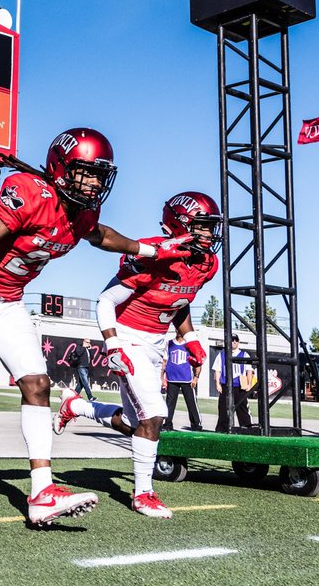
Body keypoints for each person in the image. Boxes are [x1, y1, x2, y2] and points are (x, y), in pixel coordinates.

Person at [0, 128, 194, 526]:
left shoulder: (81, 214)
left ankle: (42, 491)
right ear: (62, 169)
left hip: (9, 303)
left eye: (100, 175)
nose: (95, 184)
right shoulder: (30, 193)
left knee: (38, 384)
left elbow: (101, 236)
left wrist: (151, 249)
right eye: (87, 173)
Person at [55, 191, 221, 518]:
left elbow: (180, 300)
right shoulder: (153, 255)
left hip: (157, 343)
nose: (209, 234)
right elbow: (106, 300)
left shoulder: (207, 263)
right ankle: (143, 494)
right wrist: (113, 344)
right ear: (181, 225)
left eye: (211, 227)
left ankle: (76, 406)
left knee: (136, 423)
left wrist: (190, 338)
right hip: (129, 337)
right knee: (155, 414)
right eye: (202, 226)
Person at [163, 328, 204, 431]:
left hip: (187, 379)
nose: (179, 331)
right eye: (177, 329)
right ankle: (167, 424)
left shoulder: (189, 345)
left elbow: (198, 362)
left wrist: (196, 377)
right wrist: (162, 378)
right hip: (172, 379)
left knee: (191, 403)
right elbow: (164, 361)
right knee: (169, 403)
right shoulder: (169, 344)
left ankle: (196, 425)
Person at [214, 334, 253, 431]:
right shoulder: (222, 354)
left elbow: (249, 371)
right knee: (223, 408)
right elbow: (217, 370)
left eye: (236, 340)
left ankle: (247, 428)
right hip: (226, 385)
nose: (234, 342)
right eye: (232, 340)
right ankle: (222, 429)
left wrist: (249, 384)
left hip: (239, 386)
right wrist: (218, 384)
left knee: (242, 408)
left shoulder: (244, 354)